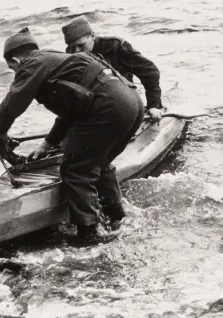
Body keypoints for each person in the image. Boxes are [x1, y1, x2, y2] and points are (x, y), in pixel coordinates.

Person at [0, 27, 145, 245]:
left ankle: (89, 235)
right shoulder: (58, 60)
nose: (15, 73)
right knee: (99, 163)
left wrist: (0, 134)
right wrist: (48, 144)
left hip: (109, 106)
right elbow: (72, 111)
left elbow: (11, 105)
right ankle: (116, 218)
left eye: (12, 68)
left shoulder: (32, 63)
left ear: (17, 60)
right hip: (131, 102)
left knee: (76, 170)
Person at [61, 15, 165, 224]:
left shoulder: (116, 47)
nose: (76, 53)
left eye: (80, 45)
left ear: (93, 35)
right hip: (96, 112)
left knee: (96, 158)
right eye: (71, 48)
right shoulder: (73, 55)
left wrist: (154, 104)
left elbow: (150, 71)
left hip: (123, 108)